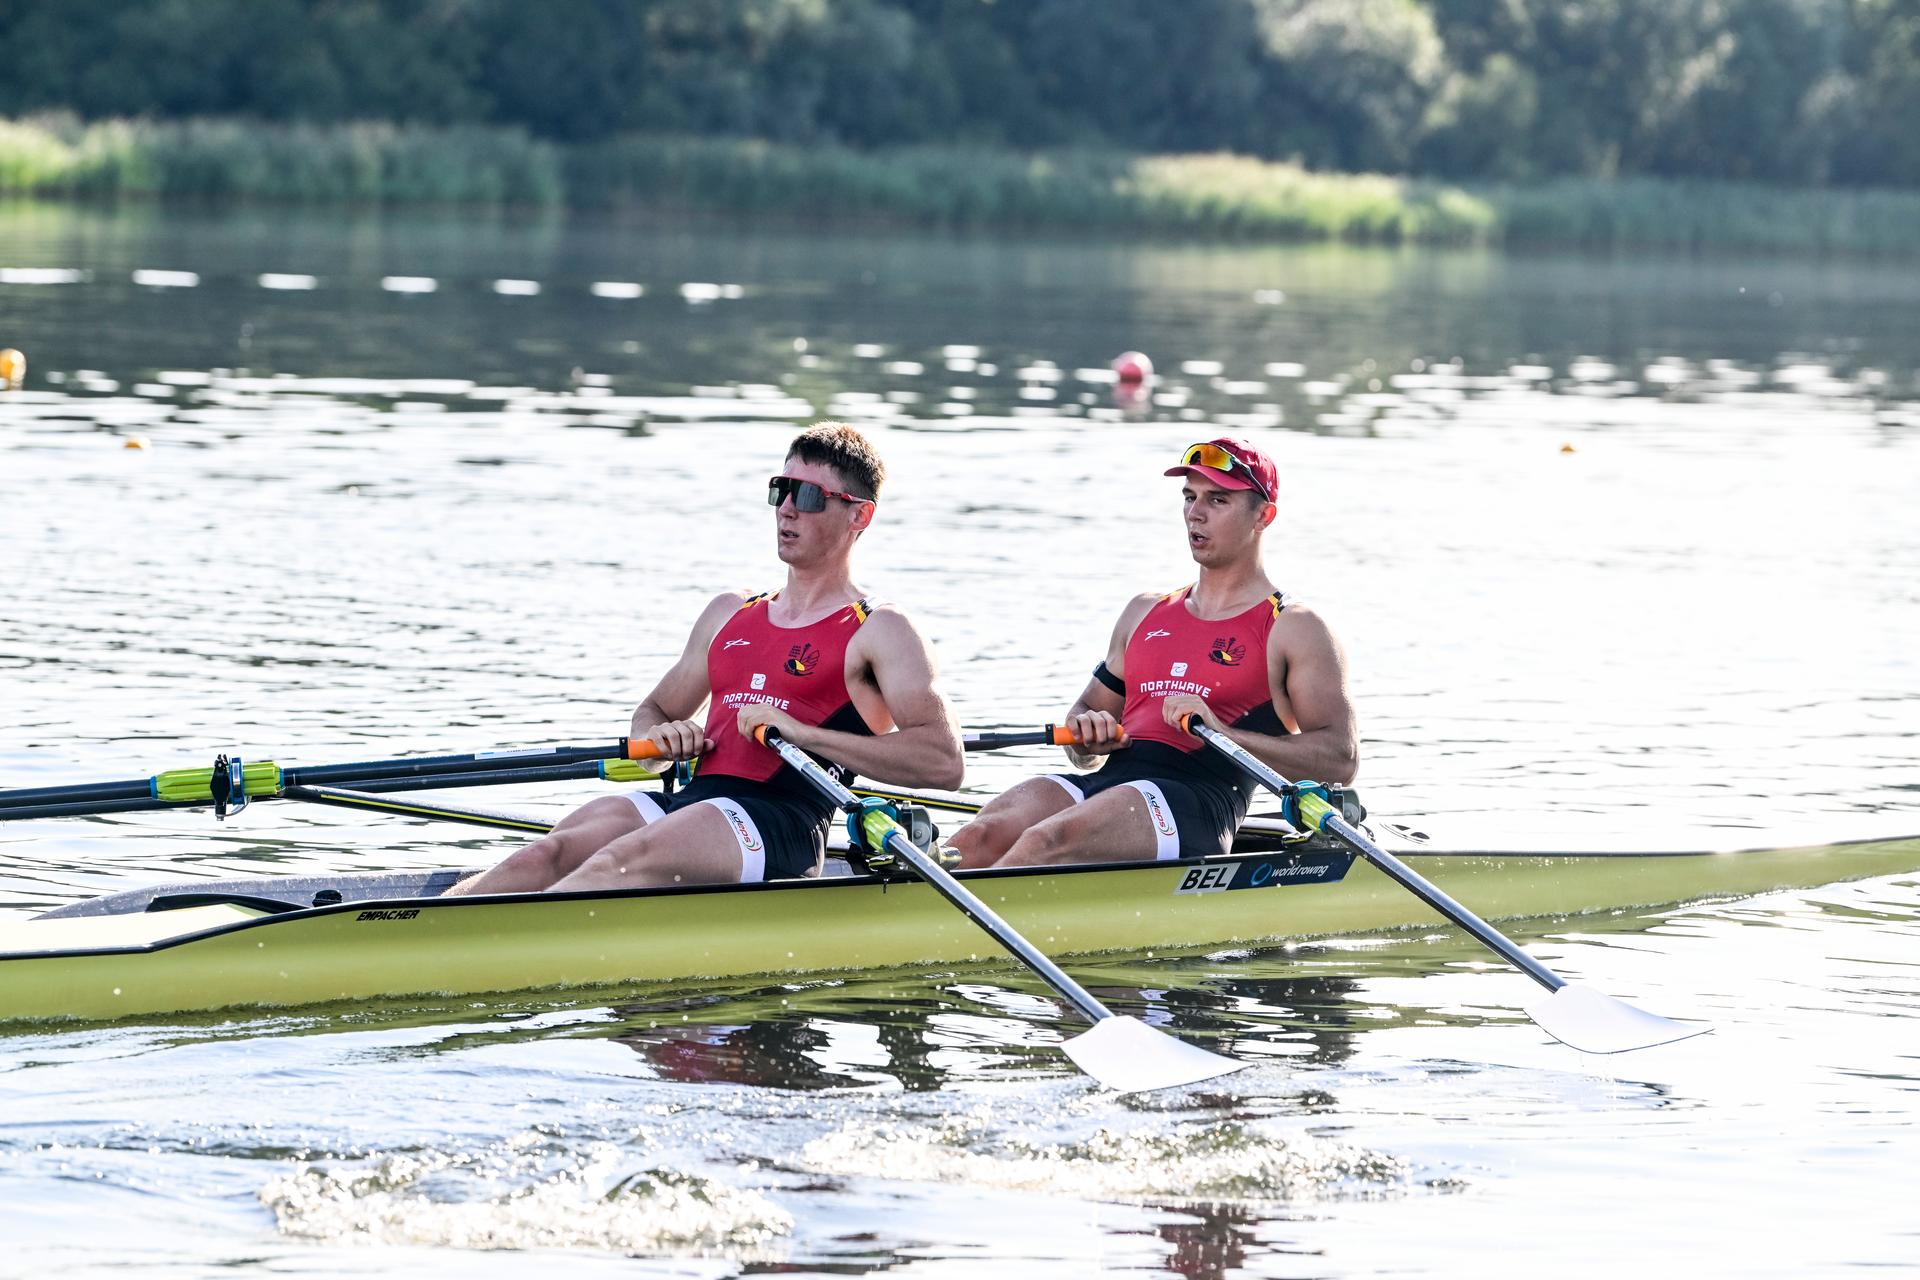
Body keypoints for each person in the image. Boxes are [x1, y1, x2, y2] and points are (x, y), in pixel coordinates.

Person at [448, 422, 964, 895]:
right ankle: (431, 934)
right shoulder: (729, 613)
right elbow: (651, 716)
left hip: (776, 823)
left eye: (809, 496)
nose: (787, 508)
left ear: (860, 514)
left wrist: (803, 734)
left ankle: (496, 958)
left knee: (616, 864)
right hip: (691, 804)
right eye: (781, 490)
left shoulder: (881, 630)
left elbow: (944, 761)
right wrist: (662, 741)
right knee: (547, 852)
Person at [948, 437, 1357, 868]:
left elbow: (1340, 760)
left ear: (1263, 516)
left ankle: (964, 931)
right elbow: (1084, 731)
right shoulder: (1145, 612)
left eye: (1217, 500)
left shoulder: (1295, 627)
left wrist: (1223, 733)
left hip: (1194, 803)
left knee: (1045, 841)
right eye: (1189, 497)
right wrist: (1087, 735)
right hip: (1113, 784)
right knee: (976, 839)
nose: (1195, 513)